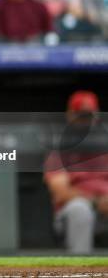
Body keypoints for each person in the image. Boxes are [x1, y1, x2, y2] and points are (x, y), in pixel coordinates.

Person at [44, 90, 108, 254]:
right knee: (80, 209)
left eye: (89, 116)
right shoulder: (60, 147)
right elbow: (61, 192)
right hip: (73, 211)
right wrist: (96, 201)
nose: (86, 121)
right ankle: (81, 269)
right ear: (70, 115)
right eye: (82, 115)